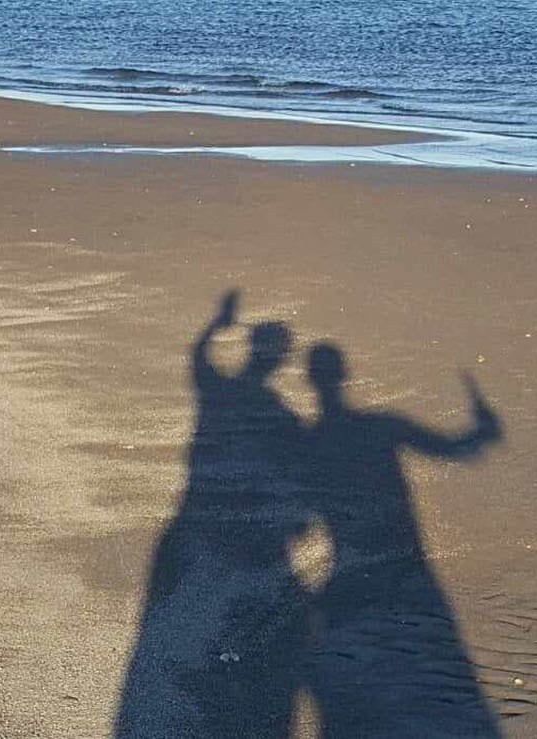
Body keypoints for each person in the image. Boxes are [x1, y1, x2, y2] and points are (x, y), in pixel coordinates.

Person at [115, 291, 309, 739]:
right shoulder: (278, 414)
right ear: (280, 359)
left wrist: (217, 323)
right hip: (245, 528)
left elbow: (198, 357)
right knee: (237, 608)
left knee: (195, 609)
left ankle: (200, 686)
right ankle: (220, 681)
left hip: (199, 522)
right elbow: (296, 472)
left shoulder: (220, 391)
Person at [303, 342, 502, 738]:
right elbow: (456, 448)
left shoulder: (308, 444)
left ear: (311, 380)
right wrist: (484, 429)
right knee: (425, 672)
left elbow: (298, 521)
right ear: (344, 375)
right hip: (407, 565)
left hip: (352, 570)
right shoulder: (383, 426)